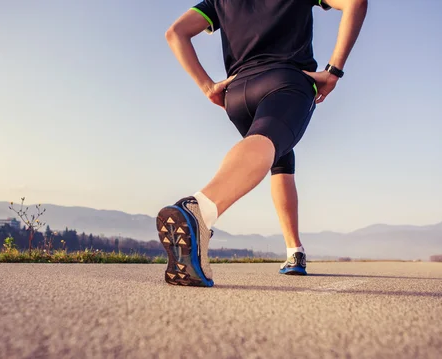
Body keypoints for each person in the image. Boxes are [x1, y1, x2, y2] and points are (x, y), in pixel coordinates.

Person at [156, 0, 368, 287]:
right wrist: (334, 70)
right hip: (285, 82)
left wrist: (207, 86)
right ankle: (199, 212)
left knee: (278, 156)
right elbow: (355, 2)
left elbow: (175, 33)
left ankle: (295, 252)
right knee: (267, 142)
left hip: (238, 94)